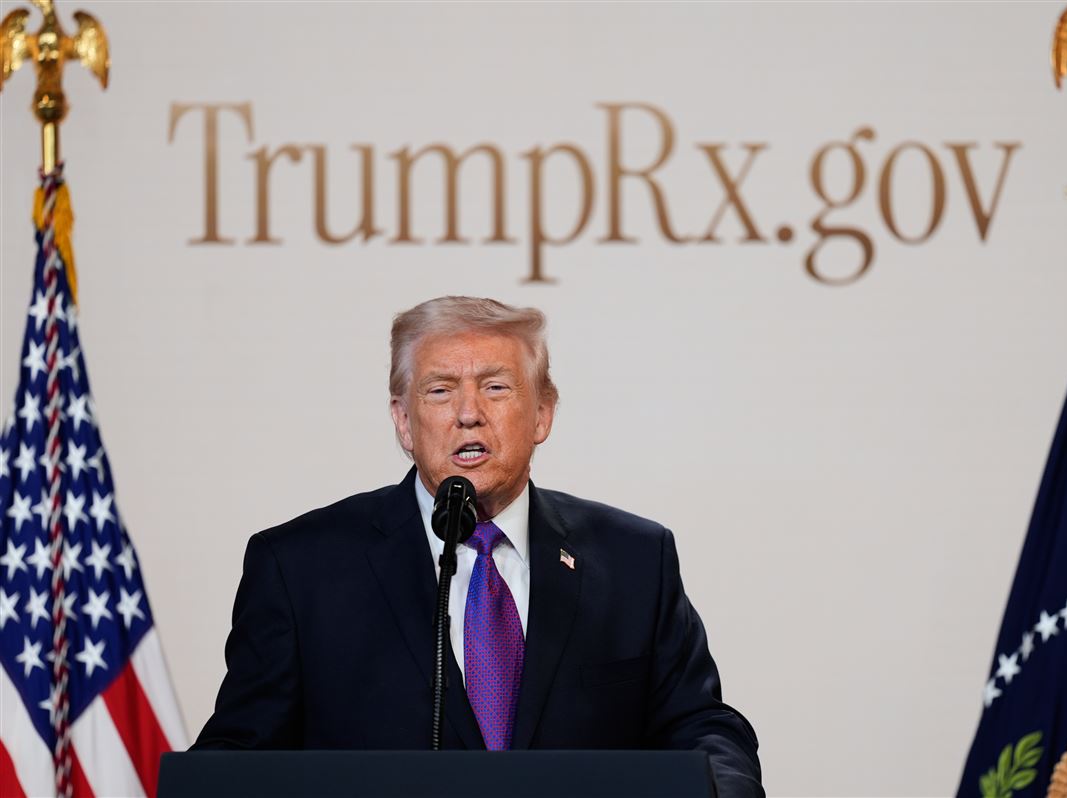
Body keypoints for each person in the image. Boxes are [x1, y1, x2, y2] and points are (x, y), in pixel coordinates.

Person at [194, 296, 764, 797]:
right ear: (403, 420)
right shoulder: (300, 567)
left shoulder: (635, 558)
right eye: (440, 391)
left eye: (495, 387)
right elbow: (240, 753)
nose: (468, 413)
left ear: (542, 412)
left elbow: (700, 725)